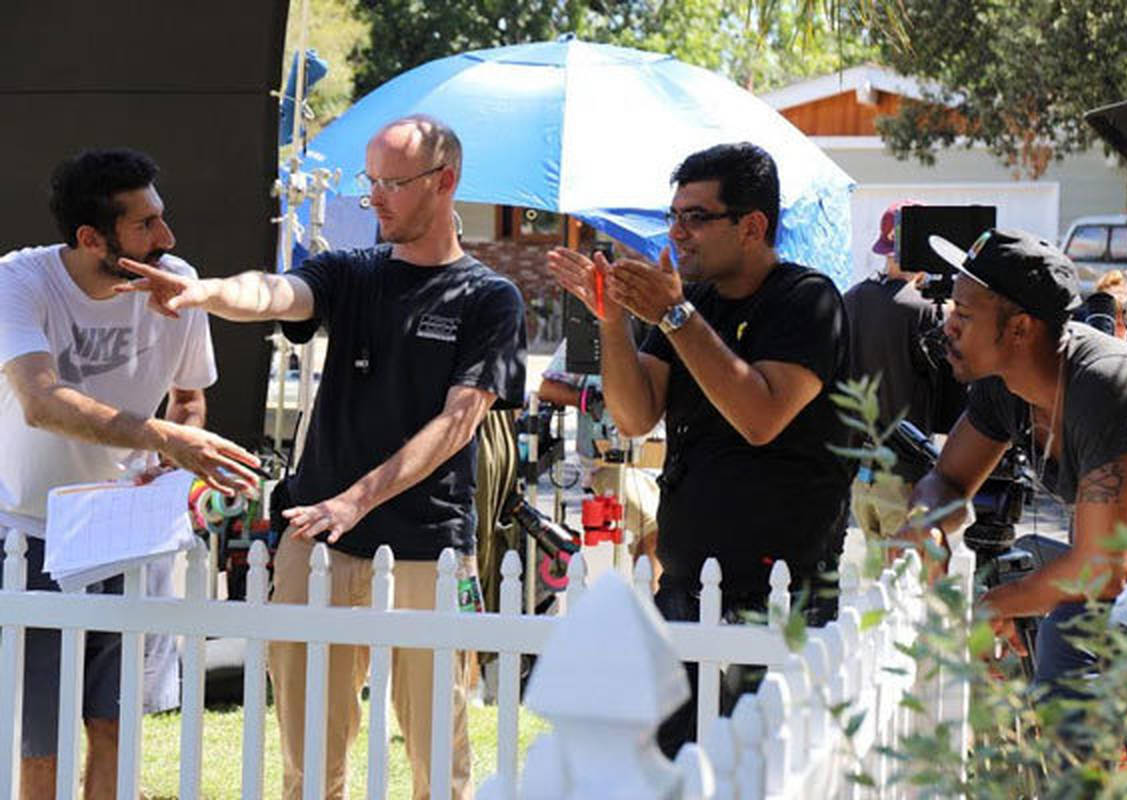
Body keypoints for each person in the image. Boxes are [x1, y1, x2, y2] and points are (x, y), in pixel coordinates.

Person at [118, 116, 526, 800]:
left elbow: (458, 423)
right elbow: (277, 293)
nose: (376, 199)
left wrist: (356, 499)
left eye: (393, 183)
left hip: (428, 546)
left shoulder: (489, 298)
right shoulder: (350, 271)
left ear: (445, 181)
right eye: (371, 182)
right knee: (308, 758)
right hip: (317, 540)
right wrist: (206, 293)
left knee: (438, 757)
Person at [547, 142, 851, 756]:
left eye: (696, 217)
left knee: (755, 776)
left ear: (752, 226)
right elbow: (634, 416)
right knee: (667, 770)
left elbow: (760, 417)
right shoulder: (692, 305)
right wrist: (611, 321)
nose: (677, 233)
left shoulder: (807, 300)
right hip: (685, 587)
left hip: (778, 594)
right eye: (674, 216)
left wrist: (674, 315)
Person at [0, 148, 260, 799]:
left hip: (128, 538)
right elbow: (40, 401)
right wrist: (162, 436)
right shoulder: (19, 281)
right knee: (41, 743)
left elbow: (189, 397)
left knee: (116, 726)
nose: (166, 238)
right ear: (92, 238)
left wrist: (170, 456)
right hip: (31, 535)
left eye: (161, 217)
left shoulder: (179, 283)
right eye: (145, 225)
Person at [905, 227, 1127, 693]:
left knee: (1070, 630)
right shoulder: (1003, 385)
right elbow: (949, 481)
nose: (948, 326)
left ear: (1020, 328)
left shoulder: (1105, 386)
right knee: (1031, 568)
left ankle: (1083, 743)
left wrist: (993, 607)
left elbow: (1104, 569)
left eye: (964, 313)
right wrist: (927, 519)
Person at [844, 201, 940, 541]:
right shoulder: (924, 311)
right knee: (908, 572)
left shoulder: (851, 299)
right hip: (905, 476)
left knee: (876, 573)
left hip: (861, 475)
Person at [536, 337, 662, 583]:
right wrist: (591, 400)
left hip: (664, 461)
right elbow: (548, 389)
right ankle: (649, 602)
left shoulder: (662, 332)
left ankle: (646, 594)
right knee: (653, 523)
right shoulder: (588, 333)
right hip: (608, 464)